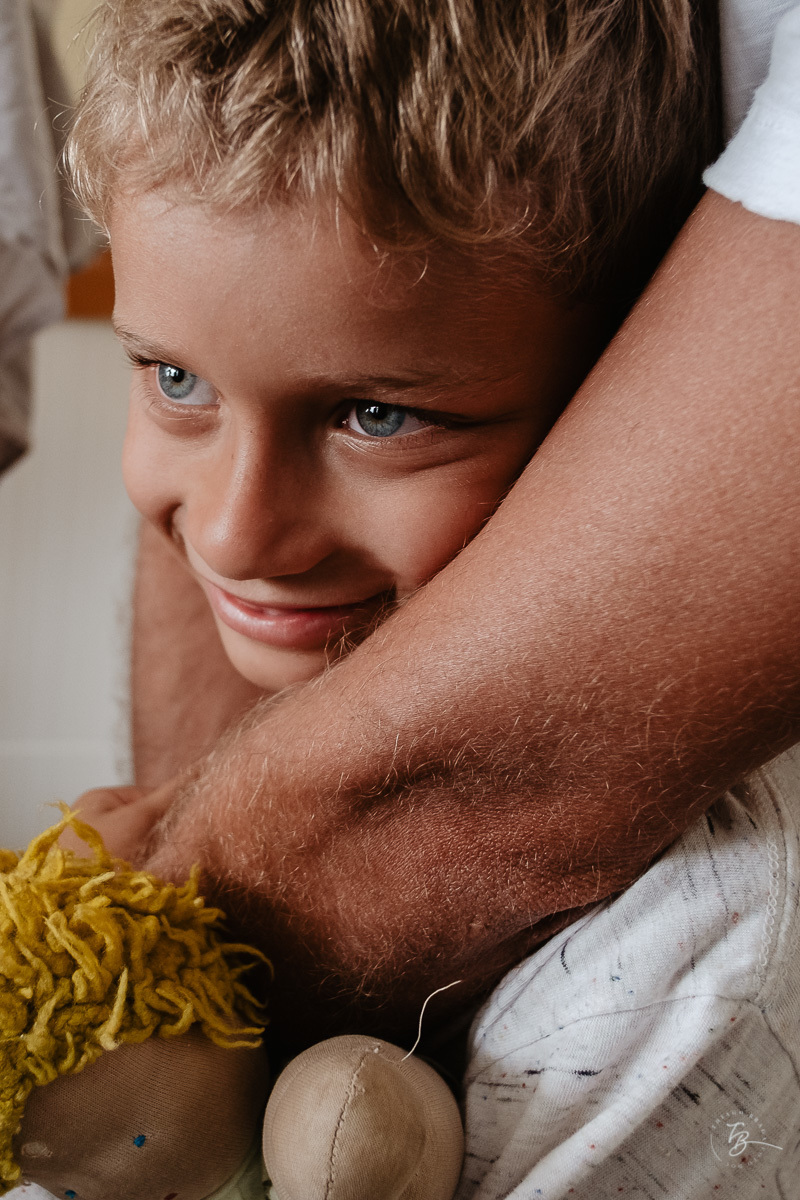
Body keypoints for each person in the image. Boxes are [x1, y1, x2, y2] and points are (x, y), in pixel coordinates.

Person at [62, 0, 800, 1196]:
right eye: (175, 378)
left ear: (625, 397)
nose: (237, 530)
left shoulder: (684, 945)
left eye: (377, 416)